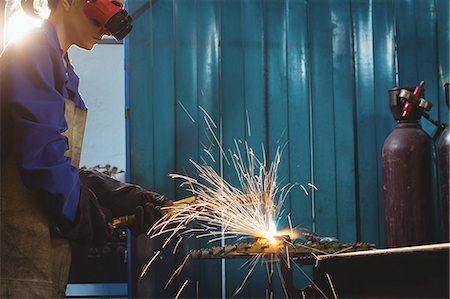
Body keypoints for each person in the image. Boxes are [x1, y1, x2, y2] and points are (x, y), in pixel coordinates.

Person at [0, 0, 169, 297]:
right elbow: (42, 160)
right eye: (110, 3)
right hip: (12, 264)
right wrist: (88, 213)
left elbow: (60, 164)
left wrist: (117, 195)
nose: (109, 24)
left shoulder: (63, 68)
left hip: (42, 264)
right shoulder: (31, 54)